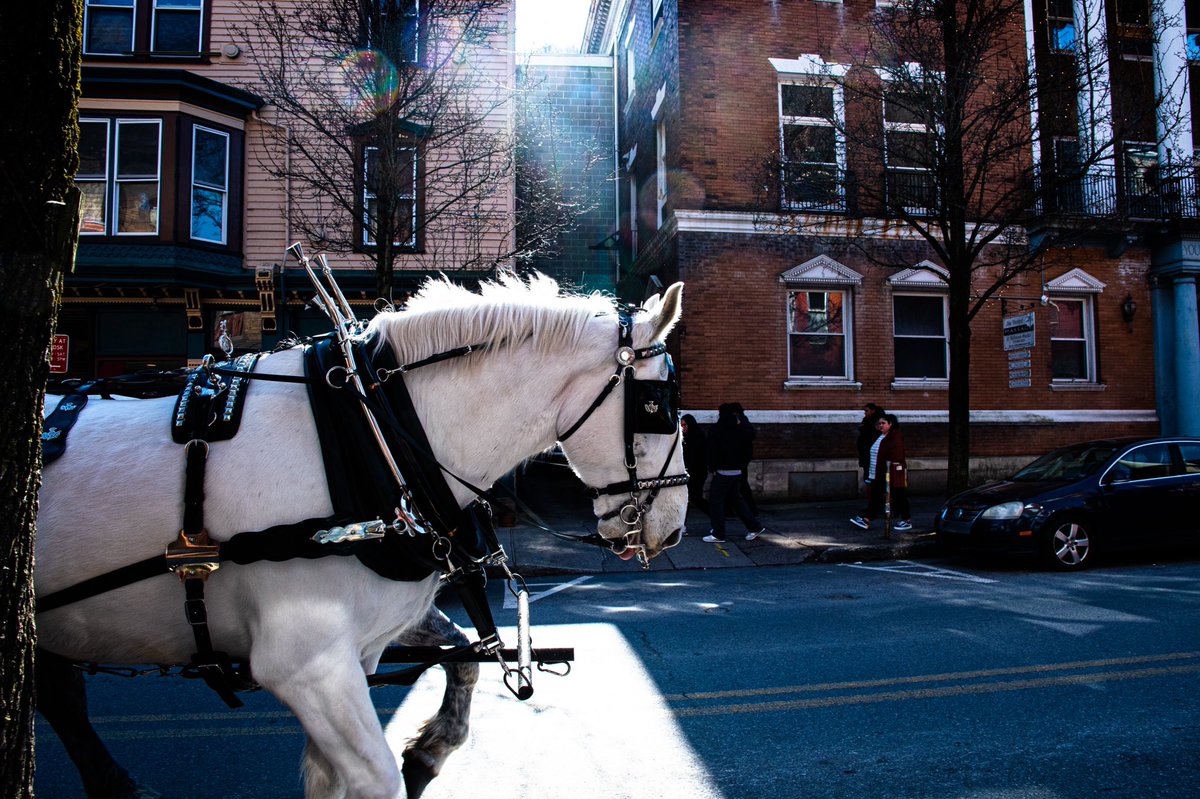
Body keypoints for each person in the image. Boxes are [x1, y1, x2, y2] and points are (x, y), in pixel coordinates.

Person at [703, 402, 765, 543]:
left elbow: (712, 451)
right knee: (737, 500)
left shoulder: (717, 430)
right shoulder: (741, 429)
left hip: (723, 471)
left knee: (716, 501)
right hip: (737, 470)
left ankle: (718, 533)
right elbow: (748, 447)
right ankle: (754, 526)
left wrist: (712, 468)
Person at [850, 412, 913, 531]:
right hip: (877, 473)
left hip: (891, 473)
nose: (880, 425)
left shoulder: (895, 436)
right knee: (875, 497)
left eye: (883, 423)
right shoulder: (879, 436)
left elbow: (897, 454)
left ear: (891, 424)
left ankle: (906, 520)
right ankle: (867, 519)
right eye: (879, 423)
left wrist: (890, 464)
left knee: (899, 496)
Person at [680, 414, 709, 520]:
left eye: (685, 425)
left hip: (698, 472)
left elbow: (698, 456)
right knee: (689, 498)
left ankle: (715, 516)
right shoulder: (684, 438)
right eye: (681, 425)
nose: (683, 428)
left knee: (695, 498)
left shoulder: (698, 436)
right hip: (689, 472)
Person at [856, 403, 886, 483]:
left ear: (873, 411)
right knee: (869, 475)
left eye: (867, 411)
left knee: (871, 475)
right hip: (866, 452)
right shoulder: (866, 420)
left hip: (870, 453)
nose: (865, 413)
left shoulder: (875, 422)